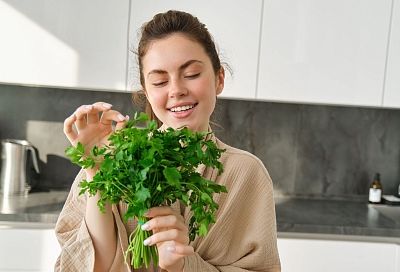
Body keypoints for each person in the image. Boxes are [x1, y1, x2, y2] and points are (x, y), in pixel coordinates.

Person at [55, 10, 281, 272]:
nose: (176, 90)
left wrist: (182, 265)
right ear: (146, 91)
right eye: (160, 81)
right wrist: (95, 171)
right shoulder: (114, 158)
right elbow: (94, 265)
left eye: (192, 74)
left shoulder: (246, 174)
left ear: (219, 79)